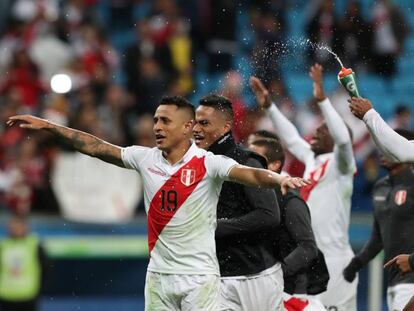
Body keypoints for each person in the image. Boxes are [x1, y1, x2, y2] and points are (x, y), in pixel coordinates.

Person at [7, 95, 307, 311]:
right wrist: (49, 126)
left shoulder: (209, 163)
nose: (157, 126)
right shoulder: (144, 157)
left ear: (188, 127)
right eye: (155, 120)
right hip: (158, 278)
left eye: (165, 120)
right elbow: (97, 147)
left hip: (199, 279)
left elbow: (250, 175)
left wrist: (277, 179)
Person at [251, 64, 358, 310]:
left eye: (323, 130)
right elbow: (291, 138)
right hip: (311, 256)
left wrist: (322, 100)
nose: (315, 133)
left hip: (336, 260)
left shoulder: (342, 166)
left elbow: (343, 138)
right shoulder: (313, 160)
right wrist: (269, 107)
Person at [193, 94, 282, 310]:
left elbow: (269, 214)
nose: (196, 129)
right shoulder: (193, 163)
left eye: (205, 123)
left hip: (254, 277)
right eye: (195, 122)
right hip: (213, 276)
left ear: (225, 127)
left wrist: (217, 227)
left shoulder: (246, 161)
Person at [248, 137, 329, 310]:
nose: (249, 164)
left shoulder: (290, 202)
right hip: (257, 288)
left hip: (289, 292)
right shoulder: (250, 198)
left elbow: (307, 247)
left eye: (256, 160)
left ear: (275, 165)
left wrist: (275, 273)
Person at [343, 130, 414, 311]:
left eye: (388, 146)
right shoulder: (380, 187)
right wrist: (357, 263)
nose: (381, 152)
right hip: (393, 282)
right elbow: (378, 236)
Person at [0, 216, 48, 311]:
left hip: (28, 295)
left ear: (26, 227)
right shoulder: (3, 245)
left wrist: (40, 290)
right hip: (6, 295)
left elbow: (46, 268)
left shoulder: (35, 244)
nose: (16, 229)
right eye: (13, 226)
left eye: (19, 226)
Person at [349, 97, 414, 162]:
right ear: (400, 115)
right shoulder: (391, 126)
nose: (407, 119)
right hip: (374, 155)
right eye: (405, 116)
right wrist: (369, 114)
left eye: (408, 116)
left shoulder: (406, 127)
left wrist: (369, 114)